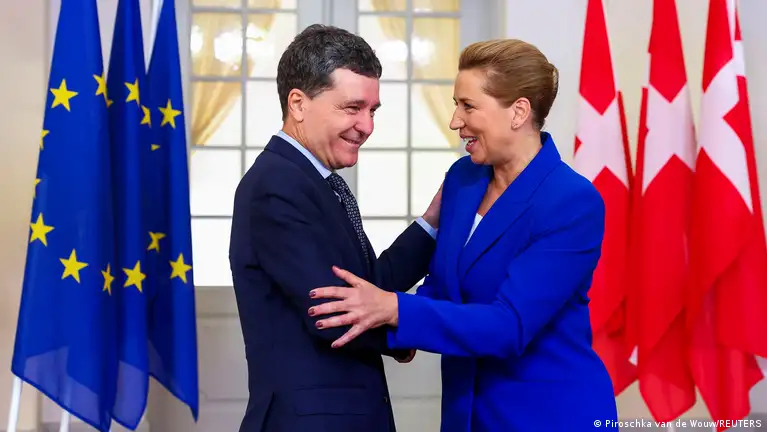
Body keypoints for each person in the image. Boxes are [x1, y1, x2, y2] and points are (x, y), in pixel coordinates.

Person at [308, 39, 620, 431]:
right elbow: (442, 288)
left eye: (468, 106)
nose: (455, 121)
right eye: (457, 105)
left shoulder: (571, 201)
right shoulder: (463, 178)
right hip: (465, 414)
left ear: (518, 112)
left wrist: (394, 309)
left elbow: (509, 326)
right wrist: (377, 324)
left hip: (549, 416)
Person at [229, 24, 441, 432]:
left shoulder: (314, 181)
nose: (367, 126)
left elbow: (368, 288)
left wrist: (431, 222)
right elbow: (335, 314)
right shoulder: (277, 185)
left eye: (372, 110)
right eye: (352, 108)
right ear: (298, 103)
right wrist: (409, 328)